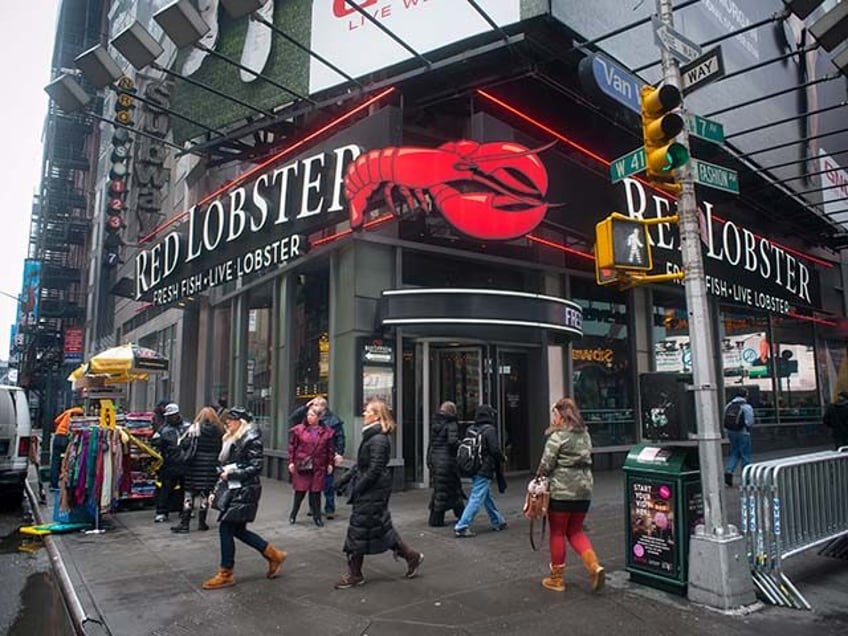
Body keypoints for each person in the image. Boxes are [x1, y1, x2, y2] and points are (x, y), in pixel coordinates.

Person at [333, 398, 423, 589]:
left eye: (368, 411)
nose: (364, 413)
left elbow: (374, 469)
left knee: (358, 530)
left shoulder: (379, 439)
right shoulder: (372, 437)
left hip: (373, 492)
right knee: (379, 530)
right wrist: (344, 480)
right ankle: (411, 556)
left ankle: (355, 575)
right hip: (371, 491)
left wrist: (357, 488)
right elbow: (361, 465)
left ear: (377, 415)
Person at [202, 406, 286, 590]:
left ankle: (226, 573)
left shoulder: (251, 438)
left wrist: (232, 474)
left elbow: (255, 466)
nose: (227, 423)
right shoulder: (233, 437)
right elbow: (228, 462)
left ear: (241, 421)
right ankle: (274, 554)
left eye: (231, 420)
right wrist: (223, 472)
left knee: (226, 528)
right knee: (238, 530)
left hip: (244, 490)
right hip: (235, 489)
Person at [532, 397, 605, 593]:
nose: (553, 419)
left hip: (562, 491)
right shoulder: (585, 435)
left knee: (557, 533)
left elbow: (546, 464)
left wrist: (537, 480)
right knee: (576, 531)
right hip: (584, 490)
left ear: (560, 415)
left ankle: (557, 579)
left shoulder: (558, 437)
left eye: (554, 414)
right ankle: (594, 566)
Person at [453, 404, 507, 538]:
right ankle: (462, 526)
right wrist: (503, 458)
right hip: (485, 468)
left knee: (486, 496)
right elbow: (494, 449)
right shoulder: (489, 430)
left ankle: (497, 521)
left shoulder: (471, 429)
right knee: (477, 497)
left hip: (472, 467)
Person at [289, 396, 346, 519]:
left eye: (316, 404)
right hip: (309, 458)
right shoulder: (307, 419)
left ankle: (329, 508)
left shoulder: (333, 420)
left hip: (325, 456)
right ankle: (313, 508)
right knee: (311, 484)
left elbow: (340, 438)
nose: (313, 407)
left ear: (323, 406)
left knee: (328, 483)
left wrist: (339, 453)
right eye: (313, 405)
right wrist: (306, 406)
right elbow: (293, 418)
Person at [171, 406, 225, 534]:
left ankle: (185, 523)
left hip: (194, 466)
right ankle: (202, 522)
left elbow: (184, 444)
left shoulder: (195, 429)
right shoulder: (219, 430)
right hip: (210, 466)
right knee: (204, 494)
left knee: (189, 494)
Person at [288, 407, 335, 526]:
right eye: (308, 415)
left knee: (316, 492)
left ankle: (317, 517)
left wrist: (330, 463)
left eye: (313, 415)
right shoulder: (299, 430)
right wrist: (291, 462)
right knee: (300, 492)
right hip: (303, 465)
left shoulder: (327, 432)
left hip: (318, 466)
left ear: (319, 417)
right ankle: (293, 514)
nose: (309, 417)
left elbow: (330, 449)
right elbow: (292, 447)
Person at [426, 401, 465, 527]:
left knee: (442, 488)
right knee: (448, 488)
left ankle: (455, 514)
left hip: (435, 459)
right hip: (447, 461)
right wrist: (462, 444)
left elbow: (433, 442)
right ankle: (439, 518)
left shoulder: (436, 422)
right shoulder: (451, 423)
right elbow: (452, 442)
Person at [152, 402, 188, 523]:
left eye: (173, 415)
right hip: (169, 463)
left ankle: (185, 510)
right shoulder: (163, 429)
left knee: (185, 488)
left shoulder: (187, 426)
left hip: (185, 462)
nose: (171, 417)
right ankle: (162, 511)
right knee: (166, 488)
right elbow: (155, 443)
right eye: (169, 415)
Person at [723, 388, 755, 487]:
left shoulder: (728, 405)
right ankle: (747, 478)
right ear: (745, 395)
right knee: (746, 455)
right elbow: (750, 421)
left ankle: (729, 470)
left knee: (734, 453)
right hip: (743, 432)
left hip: (731, 432)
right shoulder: (746, 407)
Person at [51, 406, 82, 490]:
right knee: (67, 460)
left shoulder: (67, 412)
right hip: (66, 438)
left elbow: (56, 421)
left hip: (58, 436)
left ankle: (53, 484)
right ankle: (65, 482)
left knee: (55, 460)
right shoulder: (79, 414)